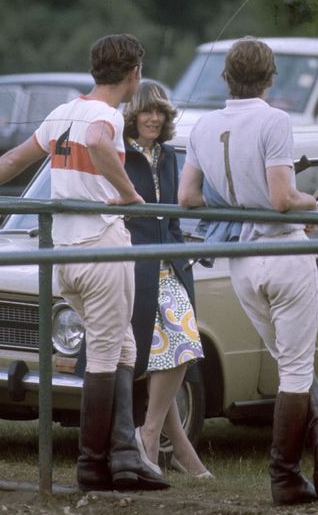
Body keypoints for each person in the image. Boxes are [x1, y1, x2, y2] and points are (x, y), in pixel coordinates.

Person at [0, 34, 169, 492]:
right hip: (100, 245)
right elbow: (101, 143)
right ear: (133, 73)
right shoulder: (104, 116)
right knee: (107, 352)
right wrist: (129, 194)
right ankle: (91, 464)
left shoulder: (63, 112)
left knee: (121, 346)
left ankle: (123, 459)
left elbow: (14, 158)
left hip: (65, 253)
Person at [178, 36, 318, 505]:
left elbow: (188, 198)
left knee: (288, 362)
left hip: (242, 258)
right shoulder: (275, 120)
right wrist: (310, 203)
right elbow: (283, 198)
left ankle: (312, 449)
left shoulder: (203, 125)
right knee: (297, 371)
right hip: (284, 251)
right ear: (270, 77)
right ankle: (284, 475)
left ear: (226, 76)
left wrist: (237, 197)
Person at [123, 81, 212, 478]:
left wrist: (179, 253)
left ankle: (153, 436)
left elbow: (174, 215)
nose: (154, 118)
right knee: (173, 349)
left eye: (160, 112)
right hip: (136, 266)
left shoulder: (170, 154)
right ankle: (173, 447)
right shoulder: (121, 153)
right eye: (146, 111)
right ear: (133, 115)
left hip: (169, 264)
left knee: (181, 345)